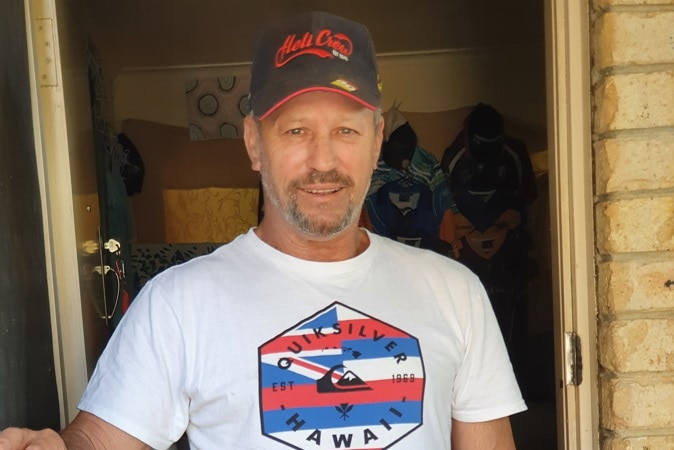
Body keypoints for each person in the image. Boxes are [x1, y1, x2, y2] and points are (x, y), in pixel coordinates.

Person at [0, 11, 526, 450]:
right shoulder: (179, 303)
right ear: (254, 143)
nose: (324, 160)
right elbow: (99, 439)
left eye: (346, 130)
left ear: (376, 139)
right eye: (296, 130)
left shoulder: (455, 292)